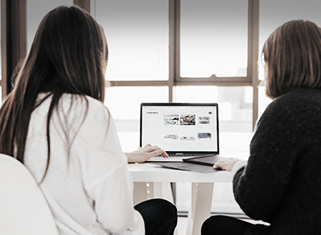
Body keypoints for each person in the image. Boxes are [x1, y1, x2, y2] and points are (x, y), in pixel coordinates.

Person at [0, 6, 177, 235]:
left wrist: (125, 157)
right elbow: (118, 221)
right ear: (92, 58)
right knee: (163, 210)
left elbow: (51, 162)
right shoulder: (88, 111)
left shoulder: (9, 109)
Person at [201, 20, 321, 235]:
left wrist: (239, 167)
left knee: (214, 227)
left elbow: (255, 204)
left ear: (277, 64)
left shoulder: (285, 111)